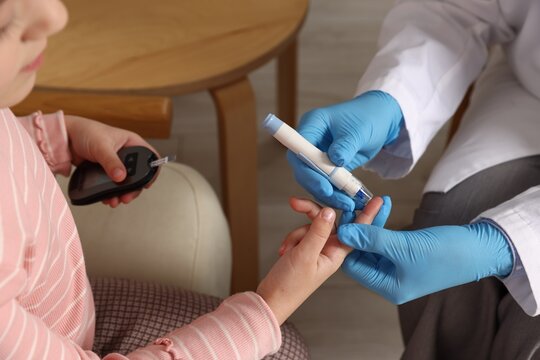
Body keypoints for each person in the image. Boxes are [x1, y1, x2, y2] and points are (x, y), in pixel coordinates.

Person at [0, 0, 394, 358]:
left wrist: (56, 137)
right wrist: (271, 304)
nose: (55, 16)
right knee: (284, 347)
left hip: (62, 311)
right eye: (2, 22)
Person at [288, 1, 540, 359]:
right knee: (452, 227)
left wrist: (506, 245)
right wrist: (391, 101)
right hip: (531, 93)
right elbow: (455, 9)